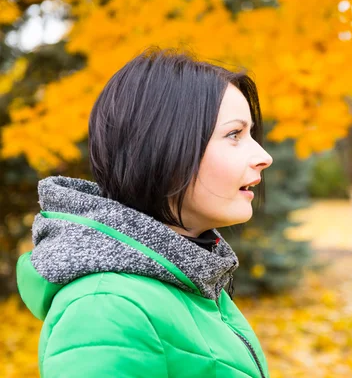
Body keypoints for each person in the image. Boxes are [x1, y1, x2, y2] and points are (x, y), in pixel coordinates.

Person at [16, 47, 273, 378]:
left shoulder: (192, 277)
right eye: (234, 134)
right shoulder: (107, 308)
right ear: (162, 146)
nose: (263, 155)